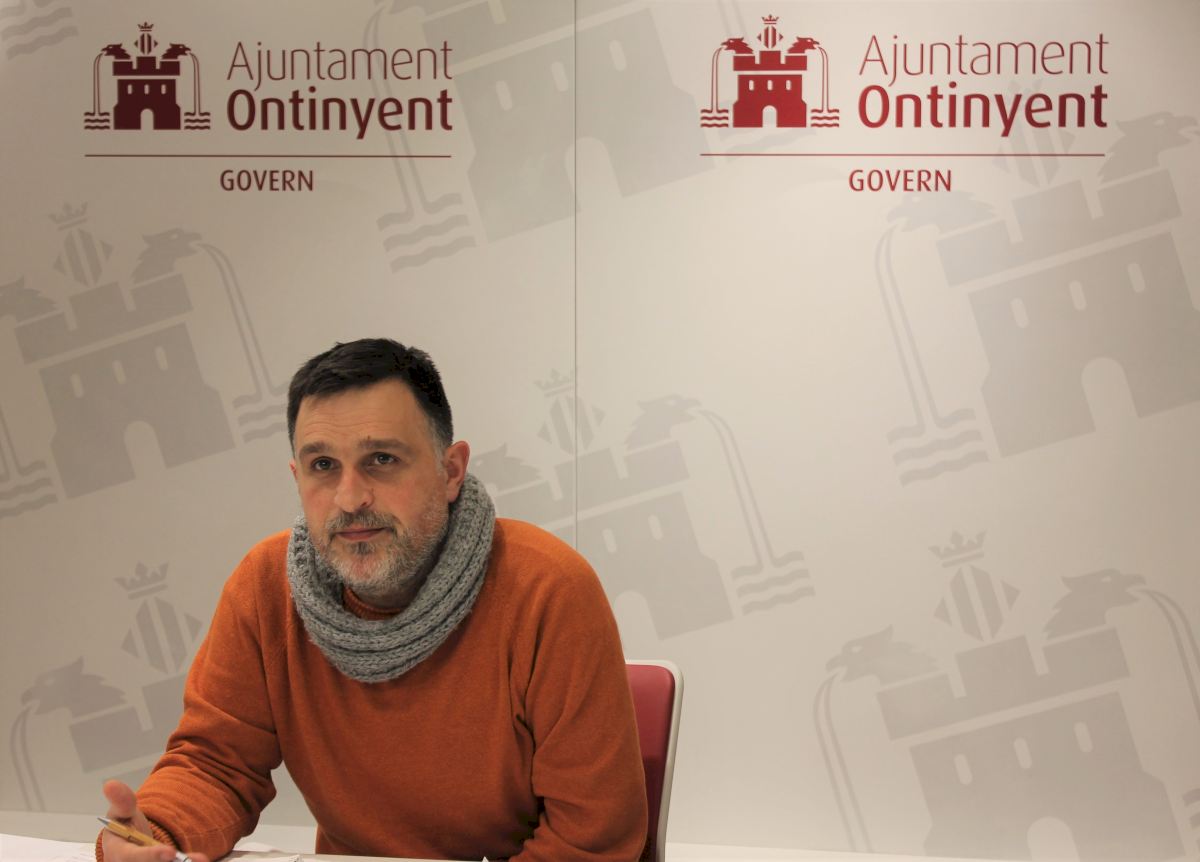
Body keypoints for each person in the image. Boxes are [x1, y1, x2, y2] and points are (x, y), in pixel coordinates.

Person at [98, 338, 648, 862]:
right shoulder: (265, 586)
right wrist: (154, 833)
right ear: (296, 477)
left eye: (381, 459)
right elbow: (216, 765)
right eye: (322, 465)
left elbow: (591, 837)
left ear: (451, 471)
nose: (350, 498)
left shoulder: (548, 590)